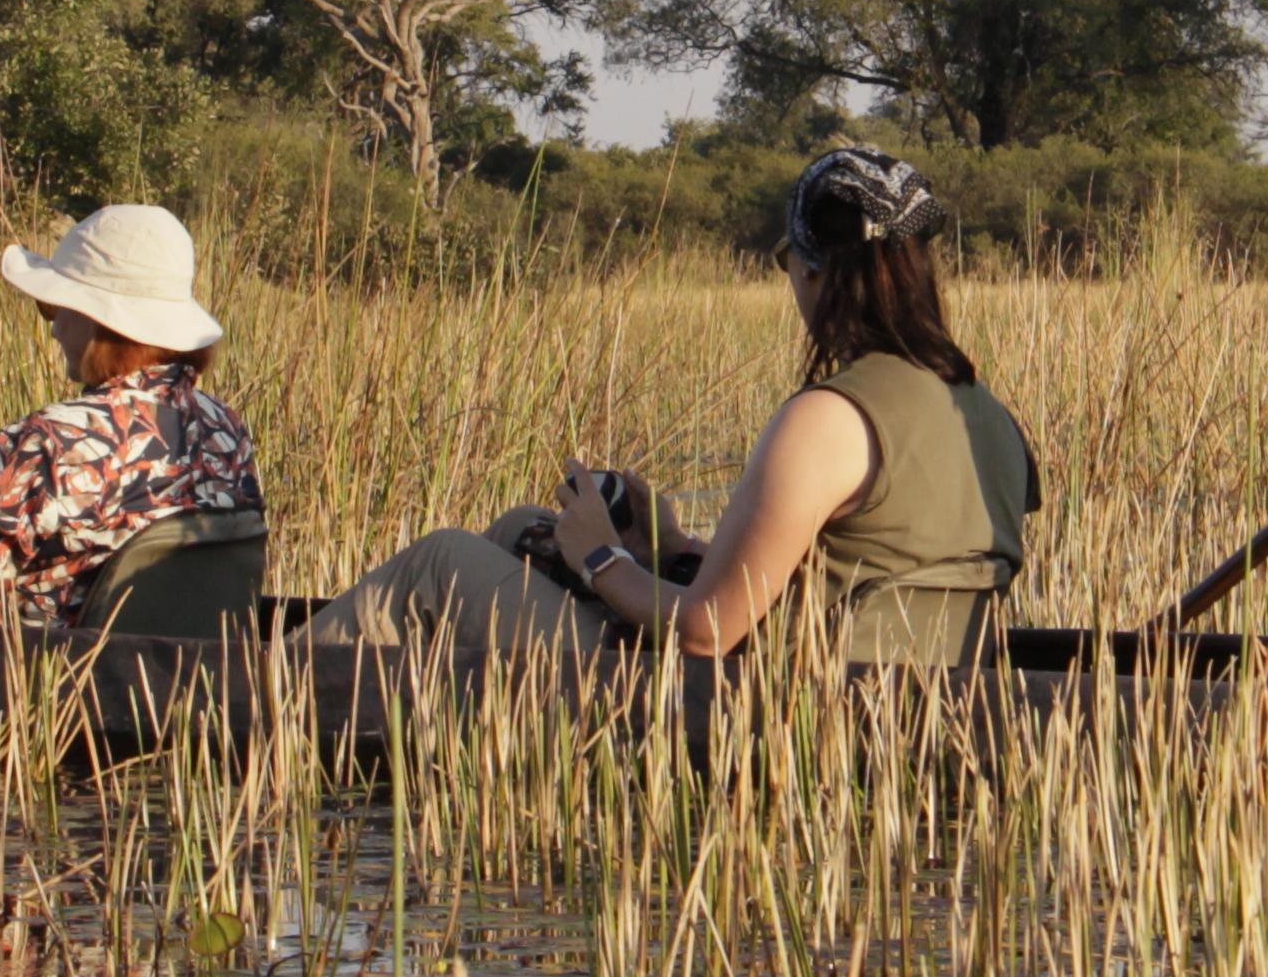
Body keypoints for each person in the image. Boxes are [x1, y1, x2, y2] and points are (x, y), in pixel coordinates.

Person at [311, 145, 1038, 678]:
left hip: (768, 703)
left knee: (443, 558)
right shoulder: (993, 419)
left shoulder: (828, 418)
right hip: (914, 691)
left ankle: (245, 702)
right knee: (513, 533)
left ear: (812, 266)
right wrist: (672, 546)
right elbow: (851, 568)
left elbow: (706, 633)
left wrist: (600, 556)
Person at [0, 203, 264, 636]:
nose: (52, 330)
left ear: (96, 321)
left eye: (53, 309)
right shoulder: (226, 428)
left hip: (54, 687)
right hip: (185, 686)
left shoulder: (49, 442)